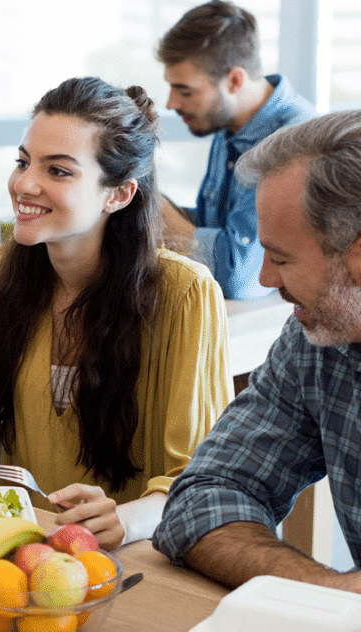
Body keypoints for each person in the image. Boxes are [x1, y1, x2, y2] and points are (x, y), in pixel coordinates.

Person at [0, 77, 233, 551]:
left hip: (138, 560)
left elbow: (201, 478)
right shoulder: (0, 272)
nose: (24, 184)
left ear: (119, 194)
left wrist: (126, 519)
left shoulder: (187, 295)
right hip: (25, 553)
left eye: (58, 171)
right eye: (23, 162)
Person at [154, 110, 361, 592]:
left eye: (282, 258)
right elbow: (203, 498)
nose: (265, 279)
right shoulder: (315, 343)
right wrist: (329, 590)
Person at [156, 0, 317, 300]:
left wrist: (159, 211)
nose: (171, 104)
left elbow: (242, 276)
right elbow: (215, 228)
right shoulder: (228, 123)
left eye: (184, 90)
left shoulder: (292, 142)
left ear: (234, 80)